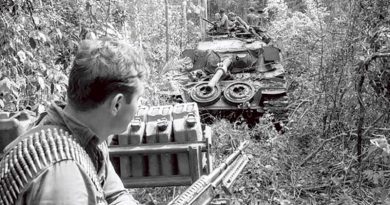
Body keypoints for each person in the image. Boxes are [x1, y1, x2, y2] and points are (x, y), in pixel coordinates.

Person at [0, 39, 148, 205]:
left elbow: (115, 196)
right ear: (117, 104)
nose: (139, 106)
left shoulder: (86, 135)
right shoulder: (64, 175)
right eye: (139, 99)